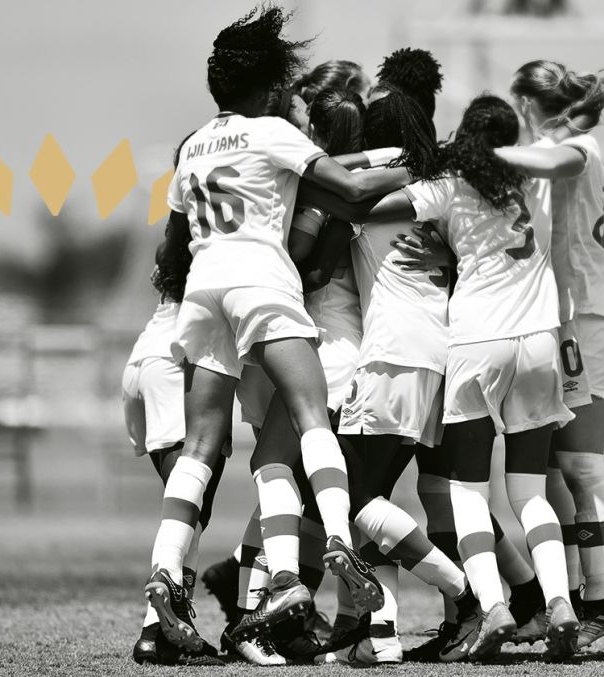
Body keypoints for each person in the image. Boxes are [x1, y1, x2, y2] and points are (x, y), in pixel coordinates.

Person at [144, 3, 414, 660]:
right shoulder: (271, 132)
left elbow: (173, 246)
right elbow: (348, 193)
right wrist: (419, 168)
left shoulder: (196, 147)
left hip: (203, 291)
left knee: (202, 448)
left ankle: (164, 573)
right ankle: (320, 559)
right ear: (269, 87)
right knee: (309, 415)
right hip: (262, 280)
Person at [308, 94, 581, 662]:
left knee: (380, 495)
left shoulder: (444, 187)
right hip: (525, 344)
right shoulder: (536, 182)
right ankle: (548, 600)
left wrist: (343, 166)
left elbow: (356, 211)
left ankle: (451, 609)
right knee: (507, 491)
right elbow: (570, 158)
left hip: (441, 349)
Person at [495, 60, 604, 650]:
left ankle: (600, 602)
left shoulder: (578, 147)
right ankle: (566, 600)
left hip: (585, 318)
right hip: (552, 318)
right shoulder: (539, 153)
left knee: (580, 465)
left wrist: (483, 153)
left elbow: (554, 160)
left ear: (525, 102)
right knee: (548, 472)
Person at [122, 243, 223, 667]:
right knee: (189, 518)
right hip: (179, 369)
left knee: (190, 521)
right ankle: (157, 630)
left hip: (145, 368)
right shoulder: (203, 307)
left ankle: (160, 633)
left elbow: (129, 386)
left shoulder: (152, 324)